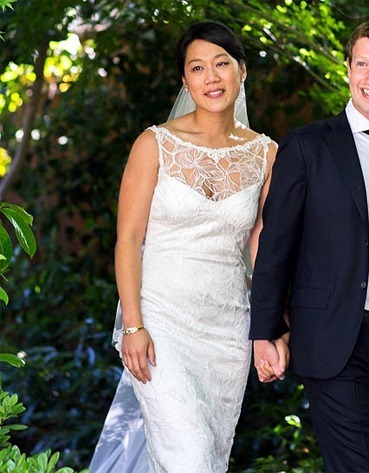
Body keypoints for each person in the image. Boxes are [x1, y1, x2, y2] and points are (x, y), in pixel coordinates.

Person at [249, 17, 369, 472]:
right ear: (348, 68)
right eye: (361, 64)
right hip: (337, 340)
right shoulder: (308, 147)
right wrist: (265, 331)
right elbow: (275, 247)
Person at [89, 21, 277, 473]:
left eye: (221, 63)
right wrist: (132, 326)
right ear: (185, 81)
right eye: (197, 68)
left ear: (242, 71)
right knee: (189, 457)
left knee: (208, 458)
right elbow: (128, 240)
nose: (211, 77)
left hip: (227, 334)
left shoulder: (266, 154)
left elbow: (261, 246)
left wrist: (269, 327)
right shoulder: (153, 145)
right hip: (161, 325)